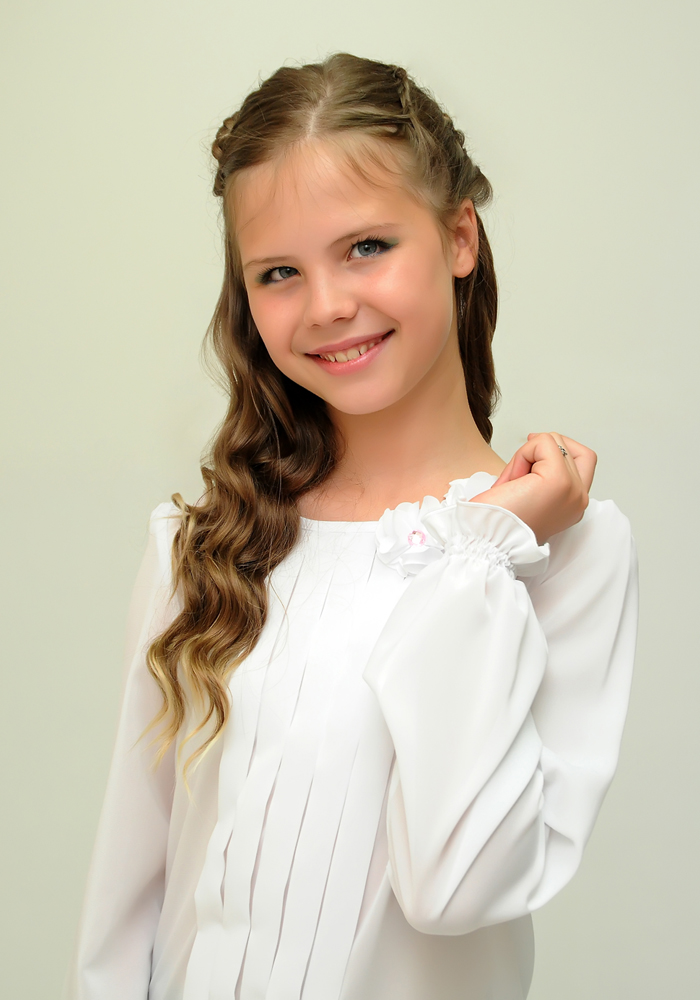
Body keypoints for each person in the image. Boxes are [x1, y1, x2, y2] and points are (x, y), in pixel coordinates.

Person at [64, 53, 638, 1000]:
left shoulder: (567, 550)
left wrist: (480, 549)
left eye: (367, 246)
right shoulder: (200, 546)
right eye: (279, 272)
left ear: (459, 237)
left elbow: (457, 889)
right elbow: (125, 910)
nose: (328, 306)